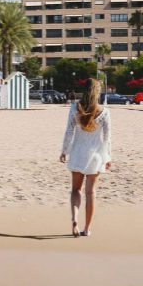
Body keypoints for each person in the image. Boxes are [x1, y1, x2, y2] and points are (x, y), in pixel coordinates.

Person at [59, 78, 111, 237]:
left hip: (77, 154)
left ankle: (74, 220)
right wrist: (108, 157)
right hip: (95, 156)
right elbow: (107, 137)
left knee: (75, 190)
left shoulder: (75, 107)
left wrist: (64, 151)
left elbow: (69, 131)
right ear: (97, 92)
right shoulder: (104, 111)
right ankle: (86, 228)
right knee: (90, 193)